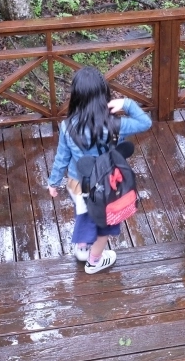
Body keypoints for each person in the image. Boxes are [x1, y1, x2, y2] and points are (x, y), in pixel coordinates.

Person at [47, 67, 152, 273]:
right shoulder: (115, 124)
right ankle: (94, 261)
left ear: (76, 96)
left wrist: (53, 181)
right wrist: (127, 103)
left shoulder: (67, 126)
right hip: (107, 185)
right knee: (104, 224)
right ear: (104, 95)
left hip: (78, 184)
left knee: (85, 214)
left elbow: (62, 157)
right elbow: (145, 123)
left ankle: (82, 248)